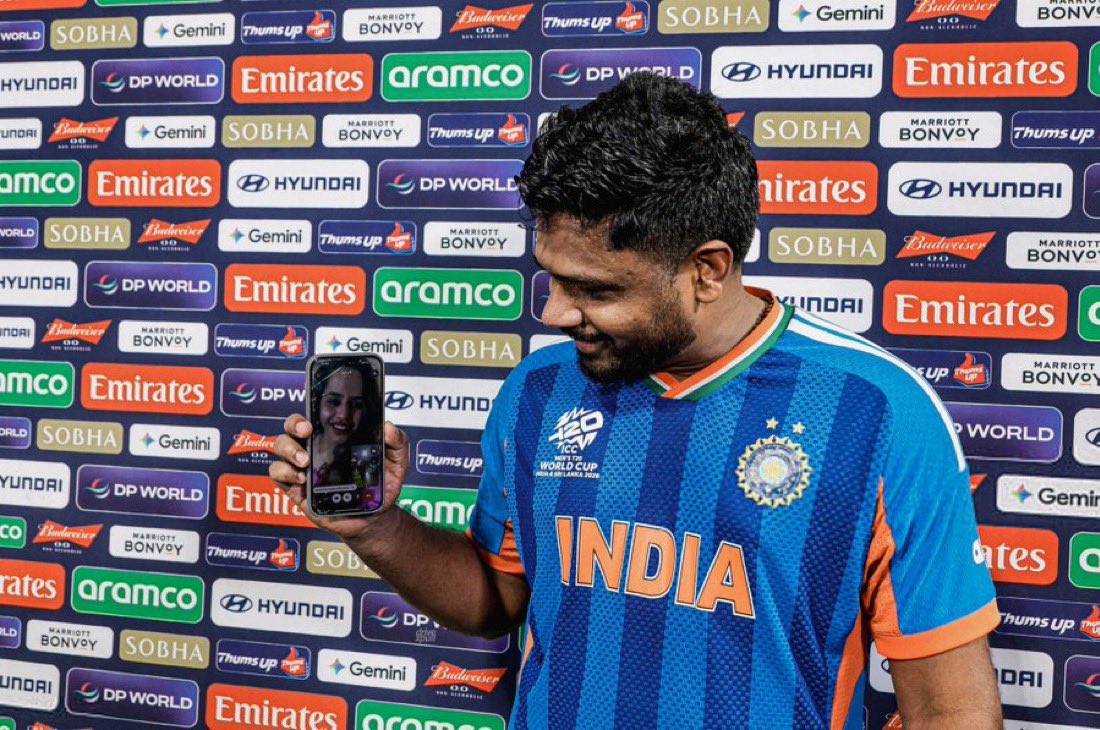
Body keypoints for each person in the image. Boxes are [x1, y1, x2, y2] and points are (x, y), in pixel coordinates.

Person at [271, 72, 1002, 728]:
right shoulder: (538, 389)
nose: (555, 312)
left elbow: (952, 708)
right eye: (552, 277)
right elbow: (494, 600)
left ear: (706, 270)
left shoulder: (877, 413)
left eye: (595, 290)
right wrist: (377, 527)